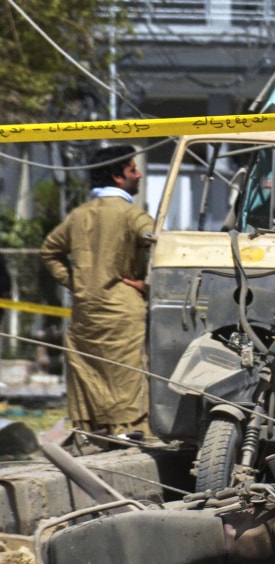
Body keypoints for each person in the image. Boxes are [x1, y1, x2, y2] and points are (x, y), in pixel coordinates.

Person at [42, 145, 154, 452]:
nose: (140, 174)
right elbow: (157, 241)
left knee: (89, 370)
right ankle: (127, 431)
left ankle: (94, 432)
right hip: (123, 309)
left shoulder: (78, 216)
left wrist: (76, 282)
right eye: (133, 169)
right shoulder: (133, 215)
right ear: (118, 177)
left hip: (84, 310)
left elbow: (49, 251)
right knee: (127, 372)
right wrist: (145, 283)